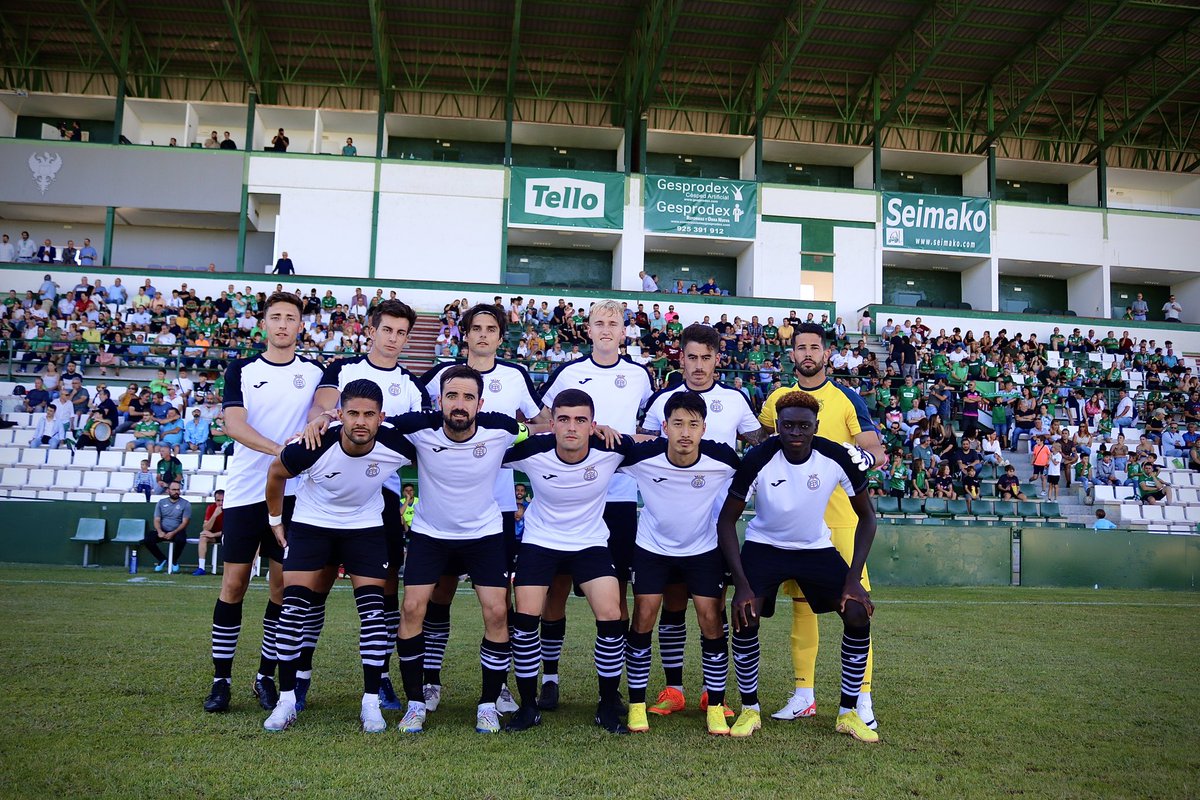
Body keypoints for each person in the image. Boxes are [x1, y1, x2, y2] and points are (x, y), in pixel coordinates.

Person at [717, 390, 878, 742]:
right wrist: (741, 584)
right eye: (788, 425)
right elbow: (726, 521)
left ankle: (849, 712)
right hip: (764, 547)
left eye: (803, 426)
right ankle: (750, 709)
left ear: (815, 426)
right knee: (745, 614)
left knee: (856, 611)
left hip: (814, 548)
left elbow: (868, 517)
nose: (795, 433)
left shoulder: (835, 456)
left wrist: (853, 579)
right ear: (777, 425)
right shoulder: (758, 458)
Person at [417, 303, 551, 714]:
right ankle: (430, 681)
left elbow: (543, 422)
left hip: (496, 507)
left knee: (497, 601)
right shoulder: (441, 376)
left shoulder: (515, 375)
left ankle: (501, 685)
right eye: (475, 328)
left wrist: (512, 440)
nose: (482, 335)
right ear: (465, 334)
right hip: (444, 509)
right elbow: (419, 420)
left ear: (500, 336)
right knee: (438, 595)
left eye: (491, 329)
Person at [261, 380, 416, 733]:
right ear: (341, 415)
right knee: (294, 608)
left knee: (374, 613)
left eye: (369, 415)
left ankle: (370, 703)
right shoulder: (314, 444)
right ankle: (287, 700)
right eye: (353, 413)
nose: (361, 421)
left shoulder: (396, 444)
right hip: (313, 525)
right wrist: (275, 520)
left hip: (364, 526)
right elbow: (275, 472)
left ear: (381, 417)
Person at [755, 322, 884, 729]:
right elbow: (761, 443)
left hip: (841, 521)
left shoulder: (846, 398)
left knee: (856, 607)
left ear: (826, 353)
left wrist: (864, 455)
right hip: (792, 525)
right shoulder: (777, 399)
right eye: (801, 347)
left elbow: (875, 450)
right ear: (791, 354)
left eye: (815, 347)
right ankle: (803, 695)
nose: (808, 353)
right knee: (802, 610)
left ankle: (862, 699)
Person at [301, 300, 428, 710]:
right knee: (316, 585)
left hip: (379, 495)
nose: (394, 338)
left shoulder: (412, 387)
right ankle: (300, 675)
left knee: (383, 590)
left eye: (402, 332)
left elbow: (419, 440)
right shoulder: (343, 369)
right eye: (387, 329)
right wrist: (321, 417)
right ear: (371, 331)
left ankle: (382, 676)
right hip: (327, 494)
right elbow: (322, 406)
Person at [635, 323, 767, 716]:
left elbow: (759, 447)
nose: (697, 365)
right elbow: (645, 446)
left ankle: (714, 692)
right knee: (673, 605)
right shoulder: (663, 401)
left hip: (715, 528)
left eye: (705, 358)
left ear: (717, 359)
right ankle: (673, 690)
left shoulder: (735, 400)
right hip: (669, 522)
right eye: (691, 357)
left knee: (713, 610)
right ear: (681, 358)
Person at [389, 365, 529, 735]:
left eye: (468, 397)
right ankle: (416, 702)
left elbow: (544, 433)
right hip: (431, 534)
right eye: (452, 395)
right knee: (412, 608)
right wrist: (325, 419)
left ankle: (487, 704)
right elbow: (372, 424)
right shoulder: (418, 427)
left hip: (483, 535)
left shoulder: (502, 427)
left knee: (497, 612)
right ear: (440, 400)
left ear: (480, 403)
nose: (459, 404)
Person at [202, 292, 323, 715]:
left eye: (291, 318)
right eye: (276, 317)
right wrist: (280, 452)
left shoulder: (314, 373)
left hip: (294, 496)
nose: (283, 324)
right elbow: (234, 424)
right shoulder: (242, 369)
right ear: (264, 323)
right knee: (233, 584)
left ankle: (265, 676)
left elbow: (323, 414)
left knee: (282, 589)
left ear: (301, 325)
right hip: (245, 493)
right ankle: (221, 681)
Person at [536, 300, 653, 709]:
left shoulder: (639, 376)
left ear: (624, 331)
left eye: (613, 323)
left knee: (615, 596)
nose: (606, 329)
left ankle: (612, 688)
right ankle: (549, 678)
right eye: (599, 322)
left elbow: (648, 431)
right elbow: (542, 423)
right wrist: (584, 431)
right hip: (568, 496)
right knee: (555, 590)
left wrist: (619, 437)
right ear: (587, 330)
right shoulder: (569, 373)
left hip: (617, 496)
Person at [501, 389, 633, 733]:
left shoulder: (611, 450)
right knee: (526, 618)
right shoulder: (533, 451)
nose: (571, 427)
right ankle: (529, 706)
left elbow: (656, 445)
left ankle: (607, 705)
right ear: (553, 424)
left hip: (589, 543)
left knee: (611, 614)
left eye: (580, 420)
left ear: (592, 424)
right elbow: (484, 449)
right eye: (563, 419)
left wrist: (617, 432)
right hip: (540, 542)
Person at [620, 392, 741, 734]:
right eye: (677, 424)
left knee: (711, 619)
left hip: (702, 549)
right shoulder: (643, 456)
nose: (685, 432)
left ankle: (714, 704)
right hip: (653, 549)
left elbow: (758, 470)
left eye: (693, 424)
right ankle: (639, 704)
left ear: (704, 428)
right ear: (665, 427)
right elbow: (598, 455)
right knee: (645, 615)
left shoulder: (722, 459)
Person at [146, 482, 191, 574]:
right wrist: (159, 531)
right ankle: (162, 559)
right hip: (162, 530)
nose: (176, 492)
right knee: (148, 539)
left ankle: (174, 560)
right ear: (168, 490)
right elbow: (157, 519)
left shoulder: (186, 504)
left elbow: (185, 522)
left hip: (177, 531)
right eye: (174, 489)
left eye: (178, 490)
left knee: (181, 540)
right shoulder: (161, 503)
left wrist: (173, 532)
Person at [194, 489, 225, 576]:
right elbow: (206, 528)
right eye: (218, 500)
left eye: (223, 500)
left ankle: (229, 569)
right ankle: (201, 567)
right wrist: (214, 515)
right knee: (203, 537)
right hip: (215, 535)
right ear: (215, 500)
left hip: (227, 535)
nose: (221, 503)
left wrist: (213, 534)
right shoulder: (211, 508)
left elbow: (230, 529)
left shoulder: (231, 509)